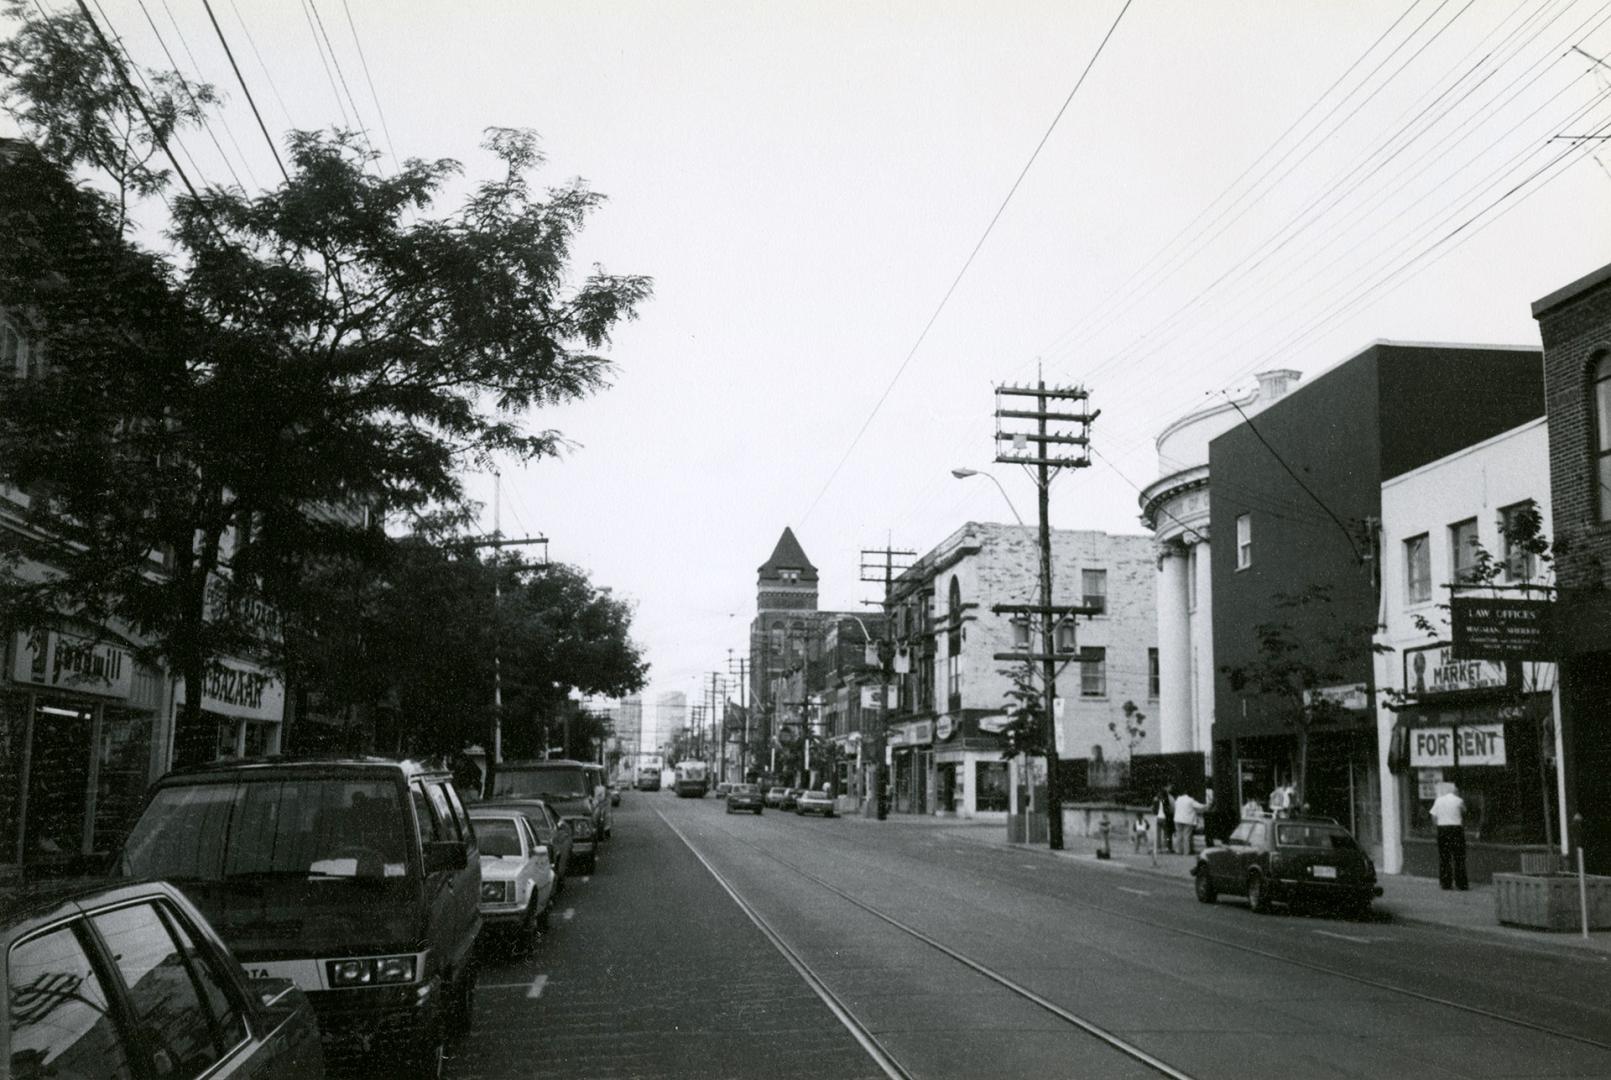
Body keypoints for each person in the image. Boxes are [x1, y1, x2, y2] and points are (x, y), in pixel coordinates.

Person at [1430, 781, 1469, 890]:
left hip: (1442, 829)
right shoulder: (1459, 800)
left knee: (1444, 857)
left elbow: (1433, 816)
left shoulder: (1439, 800)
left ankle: (1445, 883)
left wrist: (1437, 827)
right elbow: (1465, 811)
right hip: (1456, 829)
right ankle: (1461, 884)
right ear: (1454, 790)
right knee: (1459, 857)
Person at [1173, 789, 1209, 855]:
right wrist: (1207, 805)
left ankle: (1178, 851)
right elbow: (1200, 806)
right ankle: (1186, 852)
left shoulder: (1178, 799)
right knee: (1186, 836)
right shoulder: (1191, 800)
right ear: (1191, 795)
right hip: (1187, 820)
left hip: (1177, 819)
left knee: (1179, 836)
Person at [1154, 787, 1175, 854]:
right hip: (1164, 818)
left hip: (1158, 818)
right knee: (1166, 834)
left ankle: (1158, 848)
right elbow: (1168, 809)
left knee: (1158, 834)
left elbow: (1154, 809)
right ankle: (1166, 848)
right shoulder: (1165, 800)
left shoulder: (1156, 800)